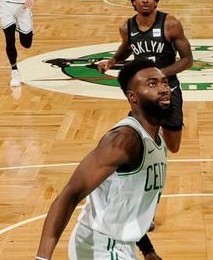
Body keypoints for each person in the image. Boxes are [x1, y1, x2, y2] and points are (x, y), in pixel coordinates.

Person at [36, 59, 173, 260]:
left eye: (164, 82)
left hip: (120, 245)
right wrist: (42, 258)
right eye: (152, 84)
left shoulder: (155, 136)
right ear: (132, 97)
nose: (163, 89)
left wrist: (147, 249)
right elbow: (70, 194)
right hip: (101, 248)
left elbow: (128, 203)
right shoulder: (124, 140)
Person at [98, 0, 192, 154]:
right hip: (143, 93)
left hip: (168, 89)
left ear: (156, 1)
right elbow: (126, 48)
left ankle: (159, 134)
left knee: (174, 147)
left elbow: (187, 60)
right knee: (136, 139)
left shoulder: (171, 24)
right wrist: (111, 61)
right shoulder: (126, 26)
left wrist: (159, 74)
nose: (145, 0)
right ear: (133, 1)